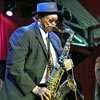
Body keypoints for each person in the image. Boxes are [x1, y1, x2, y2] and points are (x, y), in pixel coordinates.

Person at [0, 2, 72, 100]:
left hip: (45, 92)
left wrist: (66, 63)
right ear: (38, 18)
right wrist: (36, 89)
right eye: (51, 20)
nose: (54, 24)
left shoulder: (55, 38)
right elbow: (15, 67)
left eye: (56, 21)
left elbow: (55, 65)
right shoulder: (24, 33)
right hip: (21, 94)